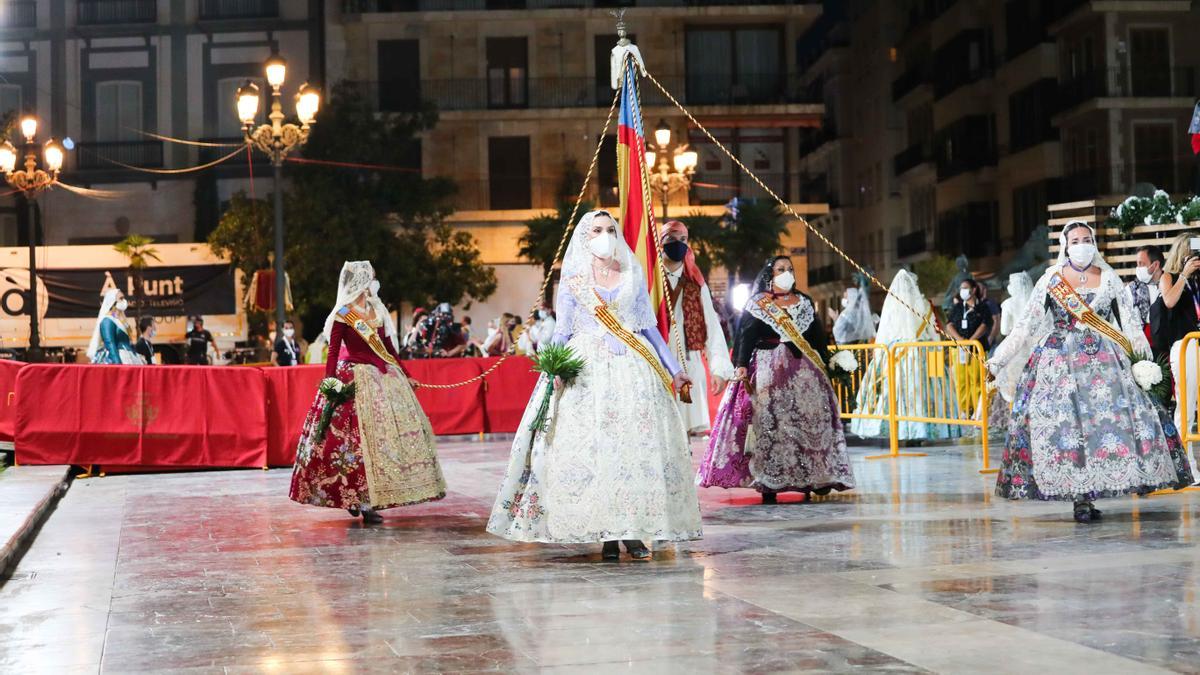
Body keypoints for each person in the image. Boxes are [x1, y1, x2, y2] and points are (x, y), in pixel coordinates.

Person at [487, 210, 700, 560]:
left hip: (634, 369)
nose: (605, 235)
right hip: (586, 371)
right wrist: (552, 366)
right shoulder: (574, 281)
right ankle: (606, 536)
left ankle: (631, 531)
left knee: (633, 451)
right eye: (597, 230)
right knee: (598, 451)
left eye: (611, 229)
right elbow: (563, 330)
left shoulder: (632, 275)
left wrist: (675, 370)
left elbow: (649, 329)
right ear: (585, 237)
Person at [989, 221, 1193, 522]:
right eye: (1075, 240)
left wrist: (1143, 362)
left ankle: (1099, 487)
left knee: (1105, 430)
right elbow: (1025, 326)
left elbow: (1131, 325)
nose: (1082, 244)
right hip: (1058, 367)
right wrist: (997, 361)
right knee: (1069, 432)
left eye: (1087, 239)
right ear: (1065, 245)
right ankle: (1080, 497)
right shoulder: (1051, 279)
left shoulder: (1109, 278)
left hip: (1105, 366)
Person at [290, 261, 446, 523]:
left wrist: (406, 375)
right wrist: (330, 382)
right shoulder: (343, 313)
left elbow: (387, 348)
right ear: (360, 282)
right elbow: (333, 349)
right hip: (352, 378)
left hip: (382, 377)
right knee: (352, 444)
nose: (373, 282)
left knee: (381, 443)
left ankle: (370, 498)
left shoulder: (376, 309)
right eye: (370, 278)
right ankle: (359, 500)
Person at [699, 255, 855, 503]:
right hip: (767, 370)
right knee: (770, 425)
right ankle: (769, 484)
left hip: (803, 371)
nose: (786, 273)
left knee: (804, 422)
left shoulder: (803, 302)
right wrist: (740, 364)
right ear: (770, 275)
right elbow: (745, 337)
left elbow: (816, 337)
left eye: (790, 269)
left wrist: (828, 362)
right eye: (781, 269)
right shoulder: (758, 303)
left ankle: (806, 481)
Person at [850, 269, 962, 441]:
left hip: (896, 353)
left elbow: (886, 332)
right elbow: (932, 330)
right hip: (925, 352)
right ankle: (929, 427)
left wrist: (880, 353)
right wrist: (937, 349)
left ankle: (901, 428)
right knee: (928, 390)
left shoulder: (893, 304)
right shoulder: (923, 304)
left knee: (897, 391)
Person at [660, 220, 734, 434]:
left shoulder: (696, 283)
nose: (678, 244)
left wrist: (718, 369)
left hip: (689, 362)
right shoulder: (651, 282)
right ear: (661, 242)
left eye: (683, 239)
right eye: (672, 239)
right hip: (658, 361)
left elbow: (711, 327)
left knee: (686, 434)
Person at [1151, 233, 1200, 484]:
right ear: (1184, 251)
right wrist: (1184, 275)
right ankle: (1186, 467)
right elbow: (1169, 301)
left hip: (1198, 340)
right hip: (1185, 345)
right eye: (1194, 249)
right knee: (1186, 404)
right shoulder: (1169, 277)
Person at [945, 278, 993, 418]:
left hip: (977, 348)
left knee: (977, 380)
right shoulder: (958, 307)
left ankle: (978, 411)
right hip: (959, 349)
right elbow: (949, 325)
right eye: (961, 288)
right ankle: (964, 409)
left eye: (965, 288)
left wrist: (971, 341)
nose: (962, 291)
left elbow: (985, 325)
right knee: (961, 380)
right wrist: (960, 340)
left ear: (973, 290)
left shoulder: (983, 307)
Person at [87, 289, 140, 365]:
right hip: (116, 359)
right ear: (113, 302)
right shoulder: (107, 320)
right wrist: (118, 364)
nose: (124, 301)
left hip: (127, 357)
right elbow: (110, 343)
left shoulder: (121, 320)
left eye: (123, 298)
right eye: (121, 298)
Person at [1126, 244, 1165, 341]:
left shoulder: (1172, 284)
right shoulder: (1131, 289)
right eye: (1137, 264)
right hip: (1142, 344)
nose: (1138, 268)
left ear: (1155, 265)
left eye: (1141, 264)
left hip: (1169, 342)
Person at [832, 278, 875, 346]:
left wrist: (835, 319)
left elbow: (838, 332)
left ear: (851, 298)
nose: (843, 299)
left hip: (846, 347)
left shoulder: (846, 314)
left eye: (845, 297)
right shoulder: (858, 313)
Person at [999, 272, 1034, 339]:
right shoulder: (1033, 301)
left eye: (1010, 283)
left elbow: (1004, 330)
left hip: (1015, 343)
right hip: (1034, 341)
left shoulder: (1008, 303)